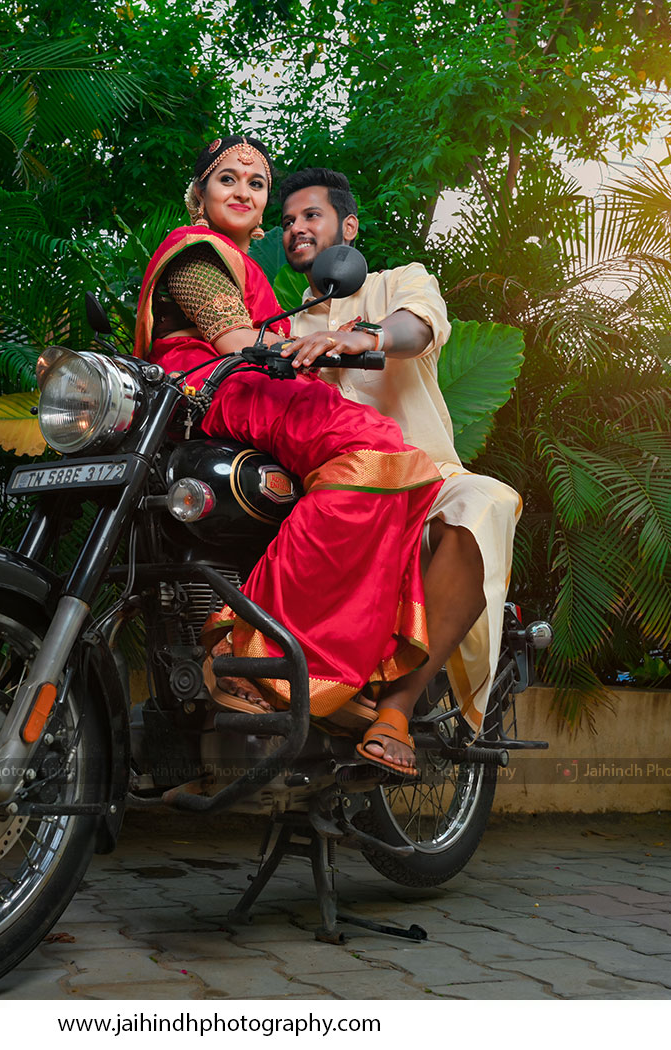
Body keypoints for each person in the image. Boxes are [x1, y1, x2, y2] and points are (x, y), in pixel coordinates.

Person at [132, 135, 442, 775]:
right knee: (383, 452)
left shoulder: (274, 279)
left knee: (387, 467)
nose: (243, 191)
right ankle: (262, 646)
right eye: (227, 179)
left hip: (229, 397)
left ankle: (341, 660)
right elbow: (235, 341)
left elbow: (408, 328)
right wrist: (316, 344)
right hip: (222, 389)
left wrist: (343, 339)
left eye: (256, 183)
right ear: (199, 194)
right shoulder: (196, 248)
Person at [277, 167, 523, 774]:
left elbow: (416, 328)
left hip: (425, 480)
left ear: (348, 228)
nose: (297, 228)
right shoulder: (280, 327)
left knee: (484, 504)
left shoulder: (399, 282)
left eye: (311, 215)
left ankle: (397, 709)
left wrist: (363, 338)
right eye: (287, 221)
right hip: (331, 496)